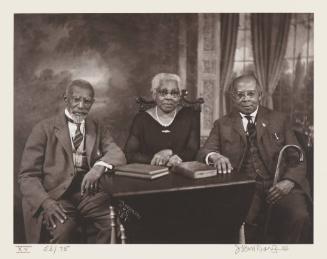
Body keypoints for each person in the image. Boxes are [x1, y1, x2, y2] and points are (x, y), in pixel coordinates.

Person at [197, 74, 311, 243]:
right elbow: (203, 152)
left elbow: (298, 157)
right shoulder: (223, 124)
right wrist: (215, 156)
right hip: (245, 187)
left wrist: (288, 182)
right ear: (233, 97)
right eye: (240, 95)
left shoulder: (279, 119)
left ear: (260, 95)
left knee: (297, 215)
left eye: (250, 94)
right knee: (238, 223)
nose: (245, 99)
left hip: (279, 182)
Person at [18, 79, 126, 244]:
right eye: (76, 99)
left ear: (92, 103)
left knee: (114, 223)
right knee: (63, 231)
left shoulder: (97, 126)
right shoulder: (43, 129)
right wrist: (46, 202)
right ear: (66, 99)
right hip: (55, 196)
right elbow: (27, 176)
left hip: (88, 194)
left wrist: (98, 168)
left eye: (87, 101)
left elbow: (117, 154)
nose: (81, 105)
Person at [124, 73, 199, 167]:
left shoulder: (189, 116)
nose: (169, 97)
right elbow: (130, 154)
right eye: (163, 93)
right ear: (154, 95)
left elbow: (193, 150)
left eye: (174, 93)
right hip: (150, 174)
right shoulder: (141, 119)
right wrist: (156, 158)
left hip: (181, 172)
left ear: (180, 96)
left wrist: (170, 152)